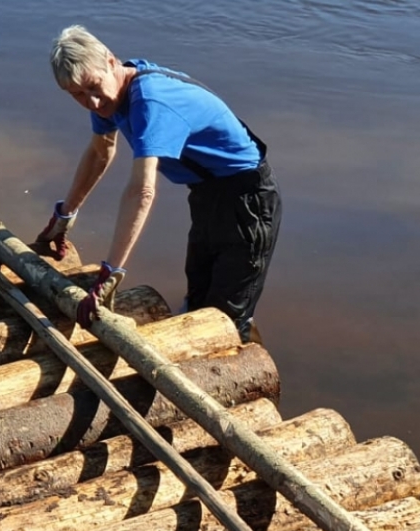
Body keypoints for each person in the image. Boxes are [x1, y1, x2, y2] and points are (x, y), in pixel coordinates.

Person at [37, 25, 281, 344]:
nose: (92, 102)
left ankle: (244, 372)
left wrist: (110, 273)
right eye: (78, 95)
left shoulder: (151, 102)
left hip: (247, 199)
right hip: (207, 194)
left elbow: (142, 190)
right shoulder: (112, 97)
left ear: (111, 61)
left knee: (226, 316)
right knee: (198, 294)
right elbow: (101, 152)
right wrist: (64, 216)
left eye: (93, 87)